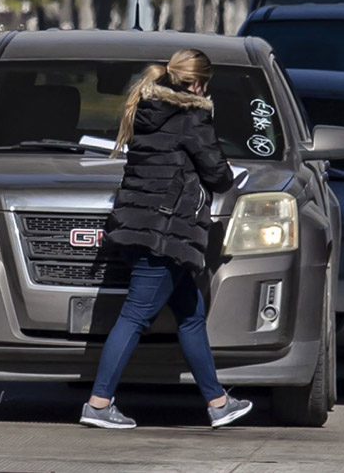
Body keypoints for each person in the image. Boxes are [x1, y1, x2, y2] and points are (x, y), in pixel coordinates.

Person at [80, 48, 252, 430]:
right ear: (198, 83)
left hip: (139, 226)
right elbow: (218, 175)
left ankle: (219, 402)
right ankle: (98, 402)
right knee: (136, 316)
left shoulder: (147, 111)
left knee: (191, 315)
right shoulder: (192, 117)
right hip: (164, 233)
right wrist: (225, 171)